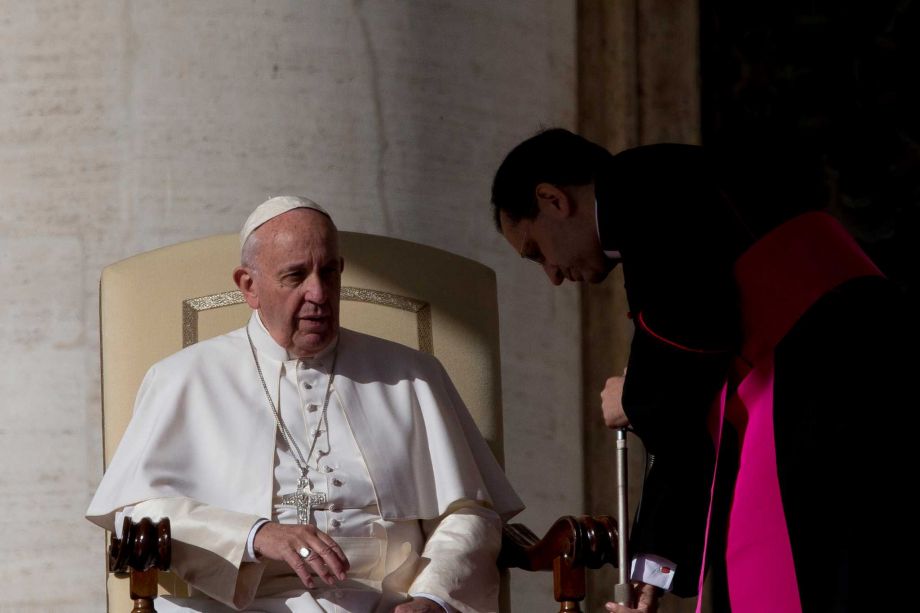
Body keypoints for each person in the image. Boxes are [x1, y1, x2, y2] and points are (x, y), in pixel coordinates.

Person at [490, 128, 911, 613]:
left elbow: (692, 337)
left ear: (552, 200)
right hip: (840, 376)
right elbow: (695, 388)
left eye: (537, 251)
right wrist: (653, 565)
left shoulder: (638, 187)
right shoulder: (658, 188)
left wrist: (633, 397)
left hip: (830, 386)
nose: (554, 274)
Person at [87, 196, 523, 613]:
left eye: (329, 273)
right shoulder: (184, 378)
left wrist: (436, 598)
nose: (319, 293)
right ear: (248, 286)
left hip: (389, 606)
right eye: (296, 277)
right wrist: (254, 535)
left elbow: (471, 514)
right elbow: (136, 513)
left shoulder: (412, 375)